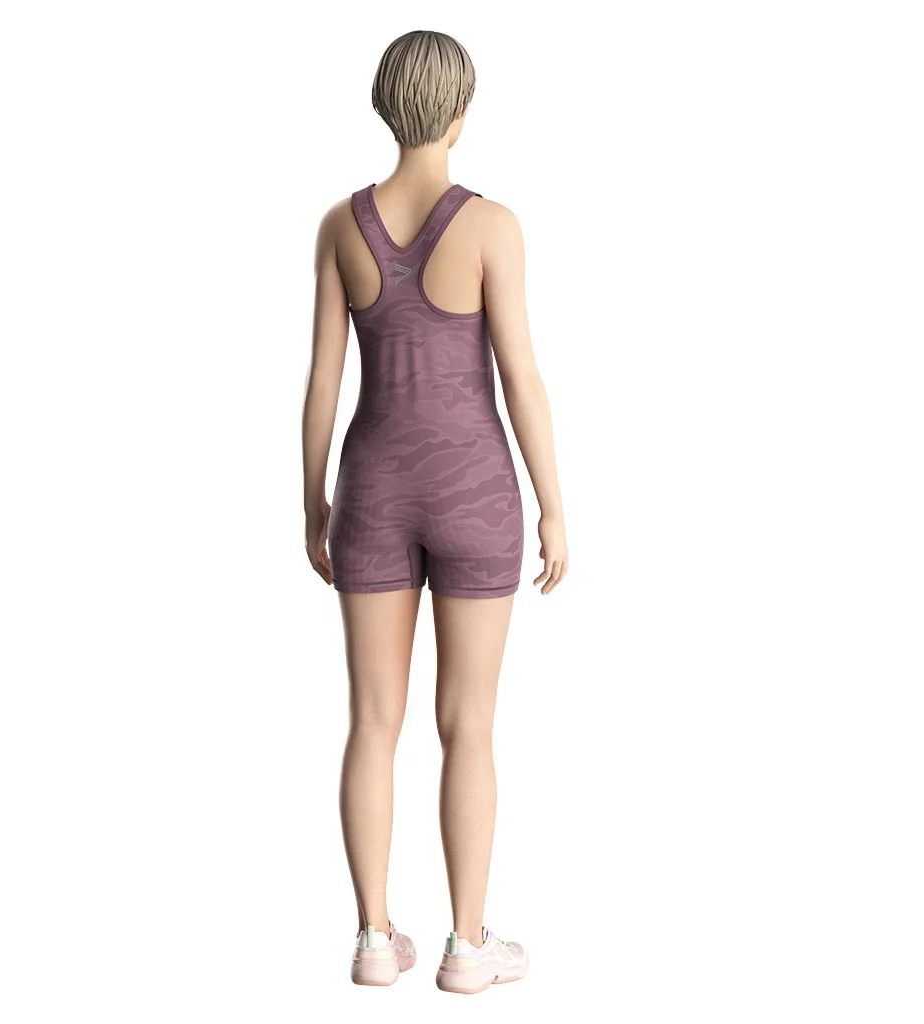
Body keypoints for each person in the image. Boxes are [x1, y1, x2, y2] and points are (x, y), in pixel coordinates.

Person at [301, 29, 567, 995]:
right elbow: (521, 376)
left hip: (371, 491)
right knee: (470, 726)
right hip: (474, 494)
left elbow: (323, 381)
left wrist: (312, 502)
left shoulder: (341, 226)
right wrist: (553, 505)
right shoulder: (493, 227)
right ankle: (465, 947)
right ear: (460, 111)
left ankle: (374, 939)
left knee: (373, 721)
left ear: (387, 104)